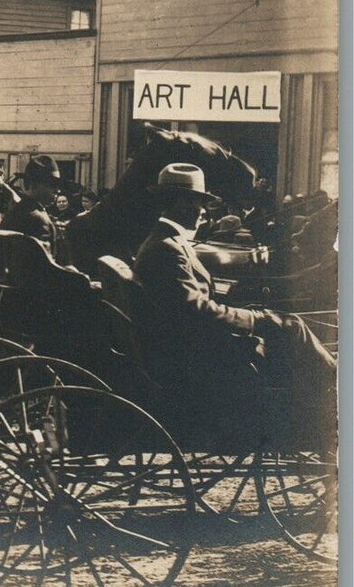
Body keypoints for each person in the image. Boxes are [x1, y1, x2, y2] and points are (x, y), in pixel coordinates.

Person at [134, 163, 336, 427]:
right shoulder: (167, 249)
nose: (204, 211)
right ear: (181, 203)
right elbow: (195, 310)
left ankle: (323, 394)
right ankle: (330, 397)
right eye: (200, 202)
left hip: (185, 346)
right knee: (291, 326)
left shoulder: (165, 242)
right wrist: (253, 319)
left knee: (285, 324)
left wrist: (250, 314)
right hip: (194, 356)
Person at [3, 155, 62, 252]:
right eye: (52, 185)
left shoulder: (16, 210)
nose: (57, 190)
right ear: (33, 185)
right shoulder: (37, 218)